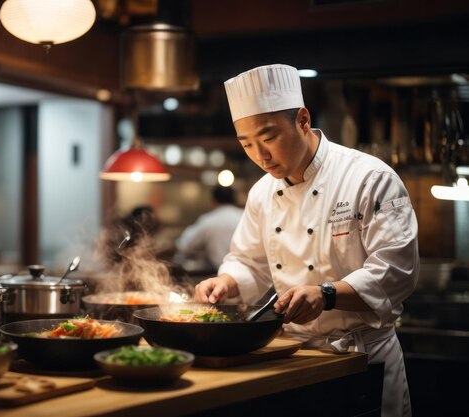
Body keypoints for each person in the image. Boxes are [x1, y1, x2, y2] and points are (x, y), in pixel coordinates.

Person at [194, 64, 418, 417]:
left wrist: (326, 294)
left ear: (302, 120)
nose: (260, 155)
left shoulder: (369, 178)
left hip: (363, 360)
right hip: (295, 360)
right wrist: (227, 283)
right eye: (247, 144)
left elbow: (396, 272)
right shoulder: (261, 193)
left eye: (268, 138)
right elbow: (249, 262)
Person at [175, 186, 244, 271]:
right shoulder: (244, 216)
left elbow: (184, 245)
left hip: (218, 273)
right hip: (248, 274)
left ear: (213, 201)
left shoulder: (208, 220)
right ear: (235, 200)